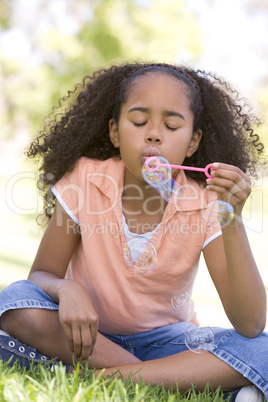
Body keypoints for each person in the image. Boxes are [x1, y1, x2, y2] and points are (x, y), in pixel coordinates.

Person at [0, 62, 267, 401]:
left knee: (262, 349)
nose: (153, 133)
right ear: (115, 132)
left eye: (171, 125)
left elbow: (251, 323)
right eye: (139, 121)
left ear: (192, 142)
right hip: (84, 335)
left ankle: (113, 377)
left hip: (168, 345)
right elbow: (40, 275)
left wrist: (233, 218)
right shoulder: (85, 180)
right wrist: (67, 289)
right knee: (13, 303)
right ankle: (172, 383)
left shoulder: (206, 203)